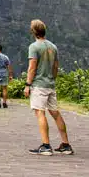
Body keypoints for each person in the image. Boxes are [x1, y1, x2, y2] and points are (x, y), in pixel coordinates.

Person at [26, 19, 72, 156]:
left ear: (33, 31)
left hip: (39, 85)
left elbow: (32, 67)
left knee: (40, 113)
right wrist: (52, 78)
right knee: (55, 113)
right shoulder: (53, 47)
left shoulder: (34, 47)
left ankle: (46, 145)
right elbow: (56, 66)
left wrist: (28, 84)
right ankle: (66, 145)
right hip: (50, 84)